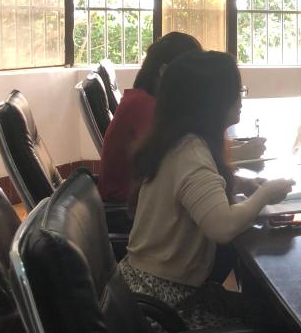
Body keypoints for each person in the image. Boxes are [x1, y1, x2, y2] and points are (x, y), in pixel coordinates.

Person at [120, 50, 301, 333]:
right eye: (236, 92)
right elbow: (222, 226)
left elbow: (201, 192)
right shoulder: (191, 153)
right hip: (167, 303)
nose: (241, 99)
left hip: (150, 288)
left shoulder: (179, 141)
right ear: (211, 100)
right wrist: (266, 194)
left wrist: (244, 184)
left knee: (277, 320)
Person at [98, 32, 265, 204]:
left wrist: (238, 152)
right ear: (165, 72)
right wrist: (241, 153)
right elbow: (181, 160)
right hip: (127, 205)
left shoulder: (145, 100)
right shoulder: (144, 107)